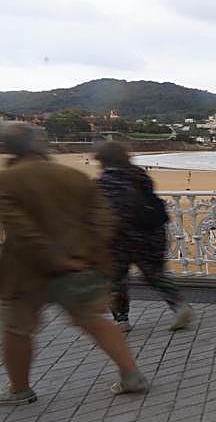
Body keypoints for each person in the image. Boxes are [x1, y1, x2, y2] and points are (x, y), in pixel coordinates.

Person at [0, 123, 148, 404]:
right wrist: (87, 254)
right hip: (79, 263)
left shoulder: (7, 181)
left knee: (17, 329)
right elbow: (104, 220)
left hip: (25, 271)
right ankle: (131, 374)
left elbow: (22, 230)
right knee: (94, 321)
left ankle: (19, 390)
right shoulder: (73, 175)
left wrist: (56, 260)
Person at [95, 141, 192, 332]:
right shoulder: (139, 175)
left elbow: (109, 212)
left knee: (117, 279)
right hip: (152, 232)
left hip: (120, 238)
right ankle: (180, 306)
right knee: (155, 275)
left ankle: (122, 319)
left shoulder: (107, 181)